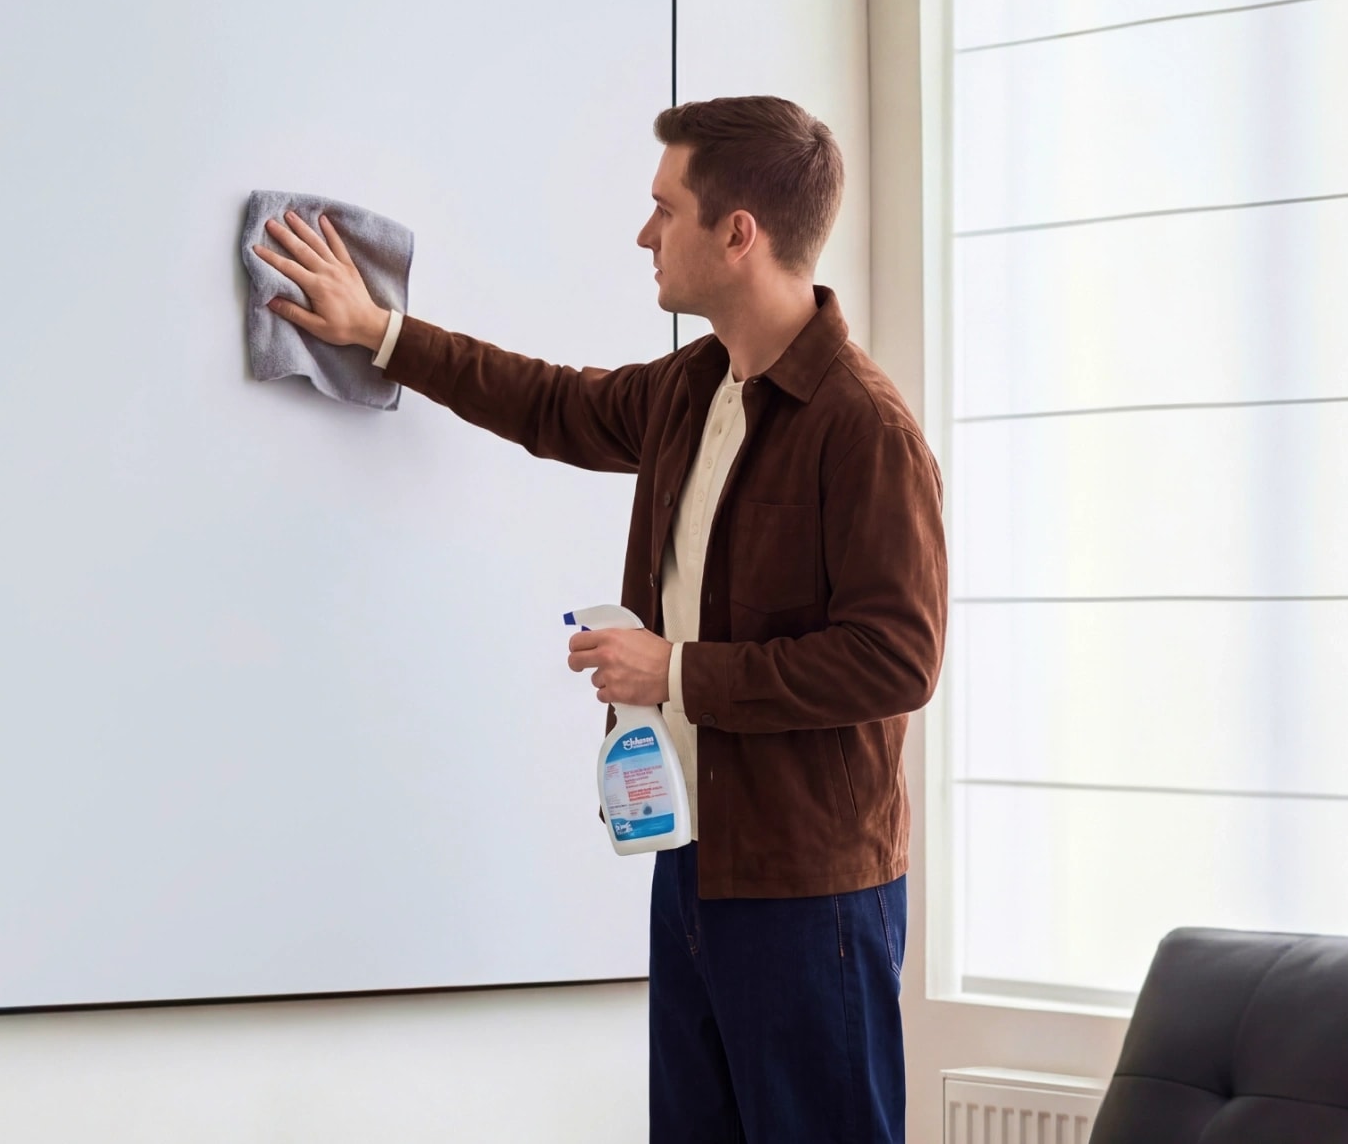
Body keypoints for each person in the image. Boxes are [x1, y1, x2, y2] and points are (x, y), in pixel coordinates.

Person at [255, 95, 945, 1143]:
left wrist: (675, 672)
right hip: (691, 865)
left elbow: (896, 659)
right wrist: (378, 330)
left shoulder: (864, 429)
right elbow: (549, 404)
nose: (643, 234)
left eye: (662, 208)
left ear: (737, 232)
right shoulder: (694, 385)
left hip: (812, 895)